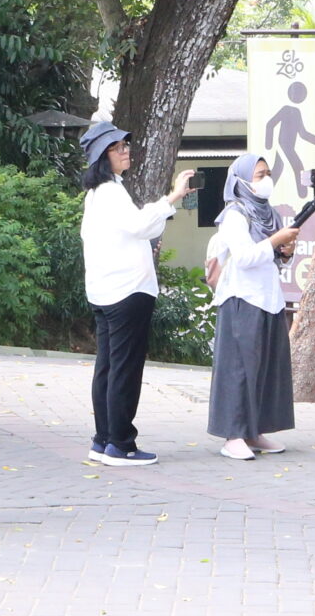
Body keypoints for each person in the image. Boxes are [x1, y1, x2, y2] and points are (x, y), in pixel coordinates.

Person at [77, 121, 194, 466]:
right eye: (118, 148)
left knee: (109, 368)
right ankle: (120, 444)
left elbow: (144, 226)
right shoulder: (111, 192)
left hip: (106, 292)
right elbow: (143, 225)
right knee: (123, 370)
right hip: (127, 292)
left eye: (126, 145)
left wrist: (164, 207)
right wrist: (173, 196)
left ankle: (103, 440)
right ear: (102, 156)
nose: (126, 151)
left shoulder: (99, 193)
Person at [206, 153, 300, 461]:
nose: (265, 180)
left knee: (264, 367)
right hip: (241, 298)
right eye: (259, 175)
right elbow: (245, 258)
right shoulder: (236, 213)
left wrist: (285, 251)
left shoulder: (267, 213)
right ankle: (233, 434)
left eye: (267, 173)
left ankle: (253, 430)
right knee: (239, 368)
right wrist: (275, 242)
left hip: (267, 298)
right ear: (242, 181)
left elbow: (269, 258)